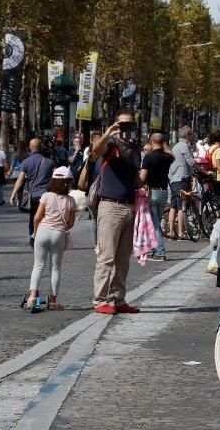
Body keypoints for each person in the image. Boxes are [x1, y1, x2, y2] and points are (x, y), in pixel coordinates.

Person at [88, 111, 142, 314]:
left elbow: (135, 173)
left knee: (123, 258)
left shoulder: (134, 147)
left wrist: (142, 189)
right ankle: (100, 300)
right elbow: (95, 150)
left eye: (129, 124)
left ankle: (118, 299)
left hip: (130, 205)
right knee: (106, 257)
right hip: (111, 206)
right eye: (122, 124)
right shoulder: (111, 144)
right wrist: (109, 132)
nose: (125, 127)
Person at [24, 166, 76, 311]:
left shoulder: (46, 196)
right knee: (55, 268)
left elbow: (36, 217)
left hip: (42, 231)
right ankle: (53, 301)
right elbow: (70, 223)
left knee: (38, 265)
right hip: (58, 234)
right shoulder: (71, 200)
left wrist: (35, 233)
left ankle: (32, 297)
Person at [9, 138, 55, 244]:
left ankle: (33, 237)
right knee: (46, 217)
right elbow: (55, 178)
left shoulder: (26, 162)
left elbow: (20, 179)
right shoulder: (49, 162)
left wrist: (13, 194)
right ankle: (46, 237)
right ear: (41, 147)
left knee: (33, 217)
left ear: (30, 148)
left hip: (34, 196)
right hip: (47, 196)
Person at [139, 133, 174, 262]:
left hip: (152, 193)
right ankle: (153, 249)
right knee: (156, 223)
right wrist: (164, 143)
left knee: (154, 224)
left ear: (151, 142)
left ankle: (160, 252)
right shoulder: (167, 157)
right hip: (164, 192)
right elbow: (172, 155)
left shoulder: (148, 158)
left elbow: (142, 177)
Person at [167, 126, 195, 240]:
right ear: (187, 135)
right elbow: (191, 162)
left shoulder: (175, 146)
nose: (192, 137)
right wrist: (201, 169)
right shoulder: (184, 146)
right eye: (191, 135)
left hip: (174, 179)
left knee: (173, 206)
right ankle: (181, 232)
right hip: (182, 179)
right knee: (182, 207)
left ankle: (171, 232)